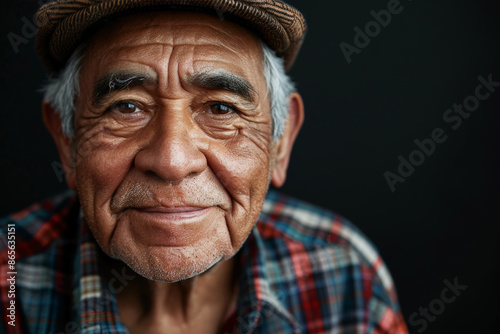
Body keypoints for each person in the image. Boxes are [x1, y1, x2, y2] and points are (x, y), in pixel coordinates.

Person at [0, 0, 408, 333]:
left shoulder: (343, 274)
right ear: (67, 140)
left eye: (220, 108)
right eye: (126, 107)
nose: (173, 161)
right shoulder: (8, 281)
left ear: (280, 143)